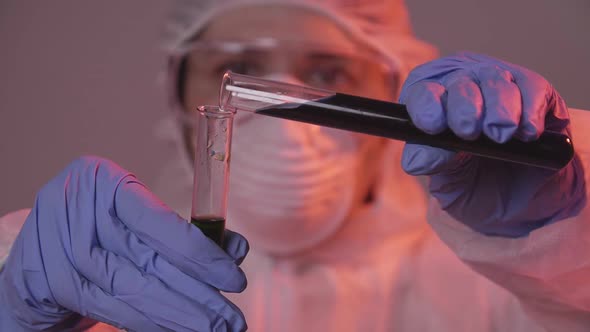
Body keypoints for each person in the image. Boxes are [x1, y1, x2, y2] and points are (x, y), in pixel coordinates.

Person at [1, 0, 589, 331]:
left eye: (327, 73)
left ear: (389, 90)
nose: (284, 105)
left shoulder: (497, 293)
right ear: (179, 100)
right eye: (236, 64)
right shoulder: (74, 266)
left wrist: (559, 238)